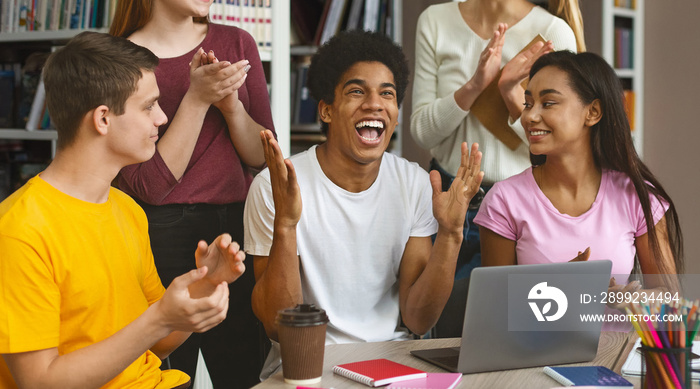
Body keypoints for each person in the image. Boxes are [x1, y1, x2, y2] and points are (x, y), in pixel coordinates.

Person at [0, 31, 247, 389]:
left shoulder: (127, 210)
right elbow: (39, 383)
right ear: (103, 119)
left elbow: (156, 345)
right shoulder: (20, 231)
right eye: (148, 106)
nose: (161, 118)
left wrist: (201, 290)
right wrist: (160, 319)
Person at [243, 30, 483, 375]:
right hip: (309, 363)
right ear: (326, 110)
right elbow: (277, 325)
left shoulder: (414, 183)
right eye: (357, 91)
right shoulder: (274, 187)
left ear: (396, 115)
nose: (374, 103)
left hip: (394, 360)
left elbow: (417, 318)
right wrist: (285, 225)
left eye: (387, 94)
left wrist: (451, 234)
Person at [109, 0, 274, 385]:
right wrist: (197, 99)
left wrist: (231, 108)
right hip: (158, 233)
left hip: (236, 230)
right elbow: (149, 186)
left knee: (245, 373)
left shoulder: (238, 43)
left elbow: (262, 157)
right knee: (165, 373)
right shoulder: (120, 57)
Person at [474, 50, 683, 310]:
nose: (529, 116)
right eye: (528, 103)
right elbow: (493, 312)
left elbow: (672, 301)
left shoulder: (637, 195)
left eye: (547, 103)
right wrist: (557, 286)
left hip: (622, 350)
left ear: (593, 112)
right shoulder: (504, 201)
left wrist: (631, 299)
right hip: (538, 351)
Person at [411, 0, 584, 280]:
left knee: (505, 321)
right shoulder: (434, 20)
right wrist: (475, 86)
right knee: (436, 321)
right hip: (445, 204)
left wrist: (512, 95)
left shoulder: (554, 32)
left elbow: (565, 146)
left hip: (519, 212)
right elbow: (422, 131)